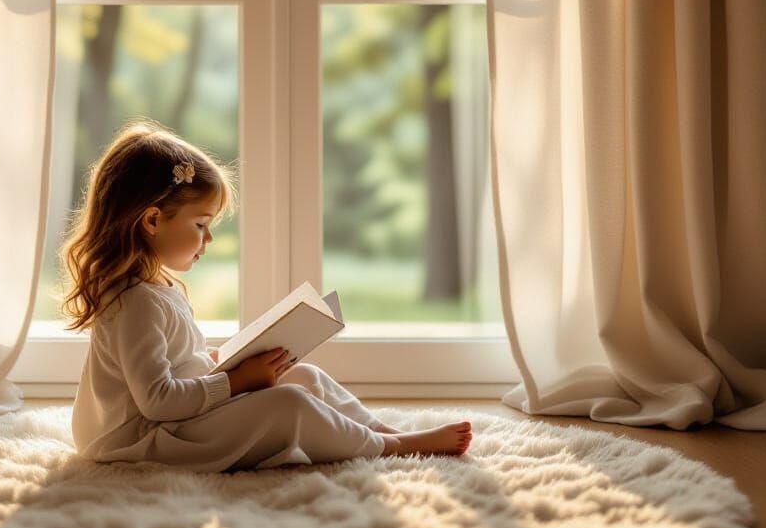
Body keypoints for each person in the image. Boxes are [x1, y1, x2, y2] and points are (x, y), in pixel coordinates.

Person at [58, 120, 473, 473]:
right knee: (289, 404)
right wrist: (236, 381)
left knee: (306, 378)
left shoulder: (162, 287)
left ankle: (385, 433)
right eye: (201, 224)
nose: (209, 237)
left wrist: (233, 359)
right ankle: (392, 449)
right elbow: (158, 401)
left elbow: (181, 362)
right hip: (139, 440)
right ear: (152, 219)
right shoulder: (136, 302)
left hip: (174, 420)